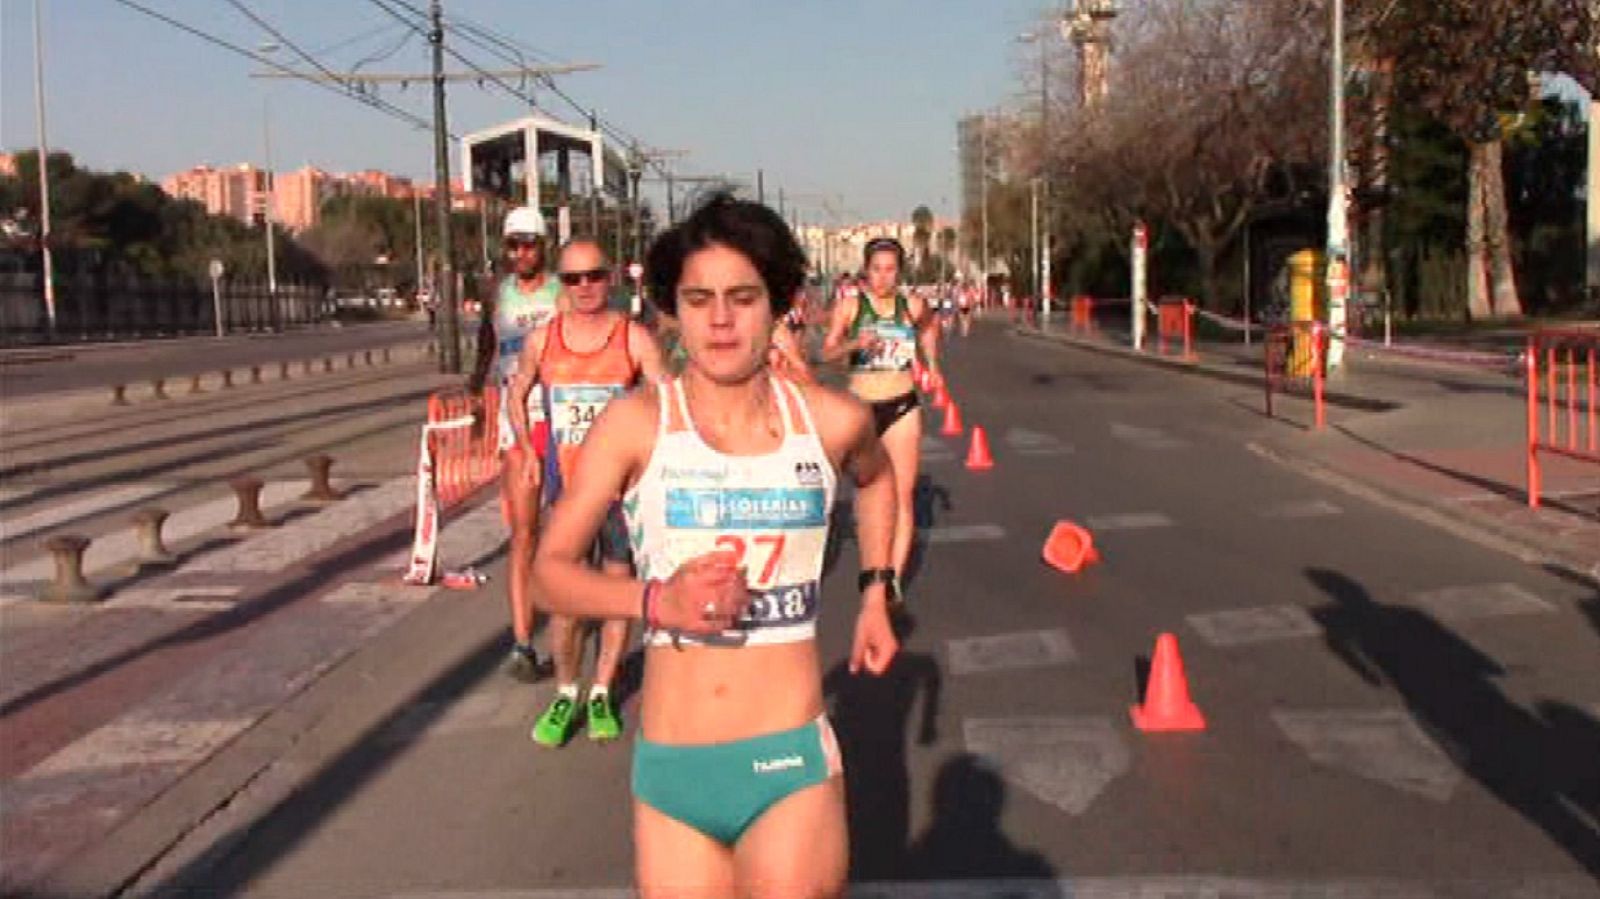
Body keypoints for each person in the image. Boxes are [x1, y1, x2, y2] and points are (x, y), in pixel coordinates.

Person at [532, 194, 899, 898]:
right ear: (672, 310)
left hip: (785, 763)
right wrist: (653, 598)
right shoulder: (635, 425)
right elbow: (549, 575)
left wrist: (877, 591)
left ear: (780, 303)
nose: (721, 319)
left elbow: (879, 482)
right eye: (699, 299)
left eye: (742, 296)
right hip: (672, 771)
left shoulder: (832, 421)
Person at [509, 238, 666, 746]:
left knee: (618, 590)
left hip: (621, 494)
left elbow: (668, 400)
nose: (584, 288)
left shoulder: (632, 339)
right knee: (567, 601)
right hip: (569, 492)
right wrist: (528, 450)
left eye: (593, 276)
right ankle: (565, 691)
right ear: (562, 282)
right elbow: (516, 391)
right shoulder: (543, 340)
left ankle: (601, 692)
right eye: (573, 279)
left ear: (611, 277)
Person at [467, 206, 564, 681]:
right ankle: (523, 642)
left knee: (565, 531)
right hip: (518, 424)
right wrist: (474, 392)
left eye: (529, 244)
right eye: (513, 245)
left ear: (543, 246)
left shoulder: (562, 291)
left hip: (563, 421)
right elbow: (487, 344)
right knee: (523, 534)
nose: (521, 253)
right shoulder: (497, 293)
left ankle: (571, 621)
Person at [821, 237, 941, 606]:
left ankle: (891, 580)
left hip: (903, 403)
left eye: (890, 269)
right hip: (862, 407)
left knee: (902, 494)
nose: (883, 277)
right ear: (866, 270)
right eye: (876, 269)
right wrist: (855, 346)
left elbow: (931, 327)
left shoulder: (912, 305)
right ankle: (870, 563)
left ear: (899, 272)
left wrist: (932, 366)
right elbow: (826, 353)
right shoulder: (850, 306)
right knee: (868, 491)